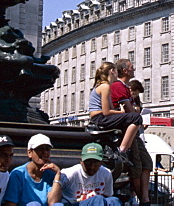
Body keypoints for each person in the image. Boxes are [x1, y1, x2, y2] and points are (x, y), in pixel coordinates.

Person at [88, 62, 140, 164]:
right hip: (100, 118)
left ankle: (122, 149)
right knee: (136, 118)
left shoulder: (104, 86)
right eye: (116, 71)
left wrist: (121, 113)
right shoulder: (105, 86)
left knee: (132, 118)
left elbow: (111, 110)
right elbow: (106, 111)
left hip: (99, 117)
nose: (118, 73)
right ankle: (122, 150)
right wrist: (121, 112)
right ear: (112, 71)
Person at [48, 142, 121, 206]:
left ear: (101, 162)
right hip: (73, 203)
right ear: (81, 161)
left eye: (96, 163)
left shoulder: (106, 173)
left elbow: (107, 195)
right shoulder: (69, 174)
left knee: (114, 201)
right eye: (88, 162)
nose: (92, 167)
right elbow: (52, 202)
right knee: (97, 199)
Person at [3, 133, 61, 206]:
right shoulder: (18, 174)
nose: (45, 152)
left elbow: (53, 202)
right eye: (40, 149)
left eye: (47, 149)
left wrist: (58, 174)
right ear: (29, 153)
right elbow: (11, 204)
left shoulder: (50, 174)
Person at [126, 75, 153, 206]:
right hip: (130, 137)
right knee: (136, 167)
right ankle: (142, 198)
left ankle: (145, 196)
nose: (135, 94)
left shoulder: (137, 103)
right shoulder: (125, 100)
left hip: (138, 135)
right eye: (133, 92)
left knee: (147, 163)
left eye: (136, 93)